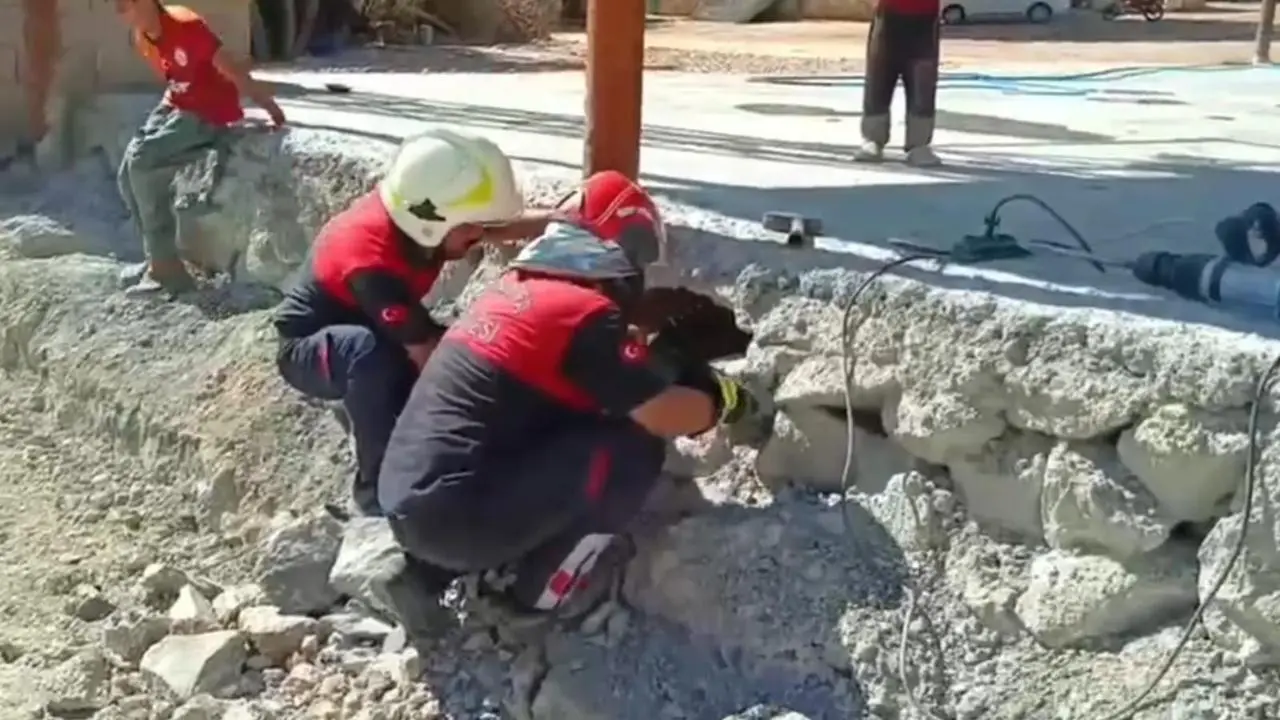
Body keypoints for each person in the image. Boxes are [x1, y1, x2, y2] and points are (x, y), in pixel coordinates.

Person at [376, 170, 760, 625]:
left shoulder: (514, 293)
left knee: (561, 427)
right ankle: (536, 600)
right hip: (459, 520)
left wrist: (660, 357)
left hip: (406, 504)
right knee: (629, 451)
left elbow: (579, 389)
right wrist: (725, 400)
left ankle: (426, 574)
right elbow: (661, 415)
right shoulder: (583, 312)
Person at [273, 127, 547, 518]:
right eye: (471, 227)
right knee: (374, 360)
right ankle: (376, 493)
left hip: (373, 328)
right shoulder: (370, 258)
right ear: (435, 224)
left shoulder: (418, 212)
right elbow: (426, 356)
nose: (479, 235)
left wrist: (555, 221)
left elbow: (489, 226)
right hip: (309, 348)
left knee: (454, 349)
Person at [114, 0, 287, 295]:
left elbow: (231, 69)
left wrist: (268, 106)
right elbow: (175, 80)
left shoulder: (187, 27)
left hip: (210, 112)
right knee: (127, 171)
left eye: (125, 4)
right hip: (179, 106)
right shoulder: (143, 37)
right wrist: (163, 116)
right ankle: (156, 257)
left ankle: (166, 270)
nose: (120, 11)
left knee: (143, 162)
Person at [854, 0, 943, 167]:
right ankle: (873, 138)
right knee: (879, 78)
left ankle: (919, 144)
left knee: (922, 83)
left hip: (925, 18)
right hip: (888, 14)